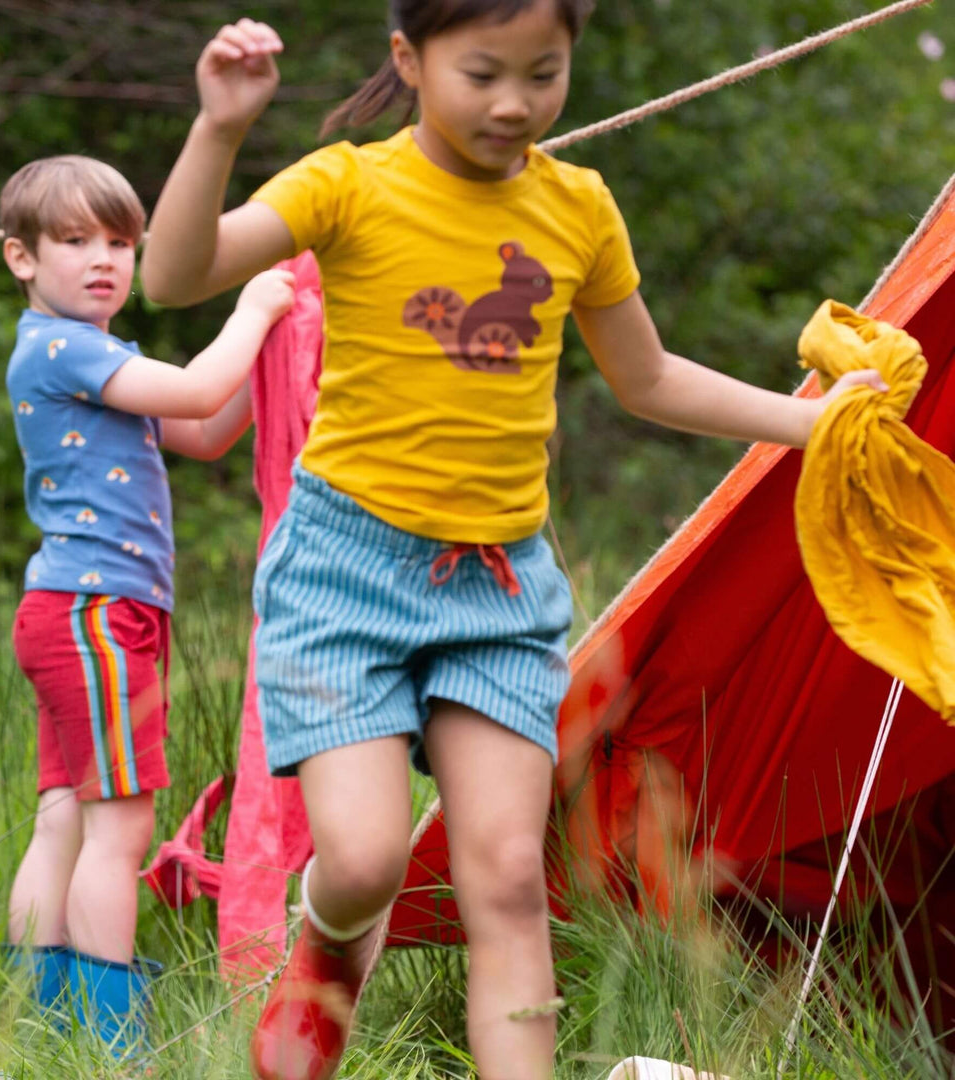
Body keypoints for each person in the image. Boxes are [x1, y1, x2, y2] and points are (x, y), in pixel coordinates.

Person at [140, 4, 885, 1078]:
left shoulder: (575, 205)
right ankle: (331, 938)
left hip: (495, 593)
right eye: (483, 71)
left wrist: (809, 421)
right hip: (346, 578)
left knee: (502, 878)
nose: (514, 102)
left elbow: (649, 377)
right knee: (362, 861)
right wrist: (218, 129)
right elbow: (175, 275)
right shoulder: (346, 183)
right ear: (410, 59)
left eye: (545, 72)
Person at [0, 154, 294, 1057]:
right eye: (76, 240)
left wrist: (272, 352)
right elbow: (199, 388)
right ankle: (112, 1034)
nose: (105, 260)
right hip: (95, 615)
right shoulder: (65, 347)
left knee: (67, 817)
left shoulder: (99, 356)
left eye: (121, 243)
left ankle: (40, 1008)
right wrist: (252, 309)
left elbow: (204, 428)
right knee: (119, 831)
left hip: (73, 610)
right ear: (22, 257)